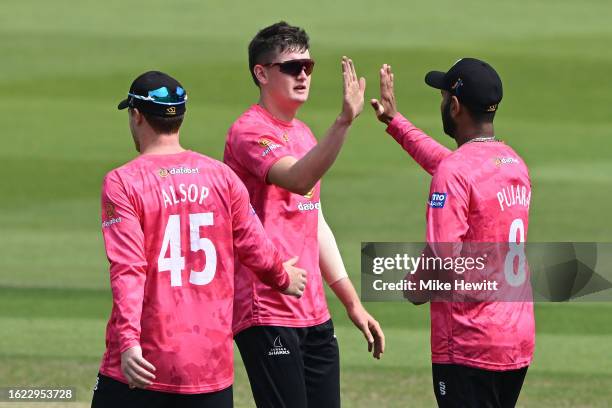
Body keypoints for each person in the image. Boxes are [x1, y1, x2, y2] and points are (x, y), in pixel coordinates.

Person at [91, 70, 307, 408]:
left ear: (136, 116)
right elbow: (256, 246)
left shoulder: (123, 182)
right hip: (209, 368)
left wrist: (130, 343)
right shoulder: (221, 176)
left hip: (144, 363)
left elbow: (129, 269)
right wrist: (282, 276)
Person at [223, 21, 385, 408]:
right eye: (291, 68)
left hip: (312, 308)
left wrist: (350, 301)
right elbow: (298, 179)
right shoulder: (248, 132)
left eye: (307, 67)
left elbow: (316, 222)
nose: (302, 76)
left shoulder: (305, 135)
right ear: (261, 74)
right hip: (267, 306)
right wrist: (344, 121)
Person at [371, 58, 535, 407]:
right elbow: (453, 166)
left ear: (455, 106)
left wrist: (414, 287)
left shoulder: (456, 172)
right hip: (516, 339)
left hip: (469, 342)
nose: (443, 103)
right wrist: (395, 123)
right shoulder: (512, 163)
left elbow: (443, 256)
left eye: (443, 97)